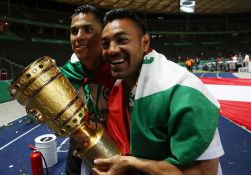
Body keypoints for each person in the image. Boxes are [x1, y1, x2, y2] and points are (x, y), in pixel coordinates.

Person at [92, 8, 224, 175]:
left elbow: (204, 172)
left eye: (122, 40)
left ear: (145, 42)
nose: (111, 50)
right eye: (105, 44)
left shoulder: (184, 91)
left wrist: (131, 163)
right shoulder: (118, 87)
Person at [60, 5, 114, 175]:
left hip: (115, 149)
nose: (79, 37)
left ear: (104, 34)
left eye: (88, 30)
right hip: (78, 150)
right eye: (74, 31)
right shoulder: (65, 76)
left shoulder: (119, 70)